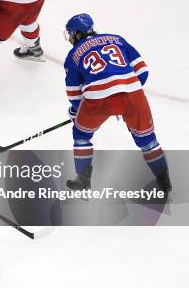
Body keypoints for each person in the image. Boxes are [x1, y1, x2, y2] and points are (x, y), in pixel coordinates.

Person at [63, 13, 171, 191]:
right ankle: (164, 181)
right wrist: (125, 93)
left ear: (77, 33)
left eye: (71, 34)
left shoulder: (73, 54)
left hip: (98, 99)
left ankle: (83, 181)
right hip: (133, 94)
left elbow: (75, 94)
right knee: (148, 140)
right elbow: (142, 71)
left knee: (81, 136)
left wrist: (77, 112)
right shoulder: (117, 39)